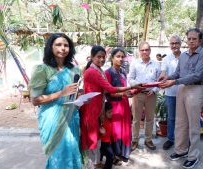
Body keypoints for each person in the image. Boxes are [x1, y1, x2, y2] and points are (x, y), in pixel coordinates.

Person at [80, 45, 141, 168]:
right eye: (98, 57)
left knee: (98, 138)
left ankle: (97, 163)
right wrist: (131, 88)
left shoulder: (100, 70)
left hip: (98, 108)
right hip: (92, 109)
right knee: (93, 139)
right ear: (92, 57)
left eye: (103, 57)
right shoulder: (93, 71)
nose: (102, 59)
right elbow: (109, 89)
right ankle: (92, 164)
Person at [28, 33, 82, 168]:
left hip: (71, 117)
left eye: (66, 45)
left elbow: (74, 94)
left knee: (72, 152)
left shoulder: (74, 70)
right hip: (52, 119)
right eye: (58, 44)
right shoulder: (42, 69)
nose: (63, 48)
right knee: (59, 155)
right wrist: (61, 93)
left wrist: (80, 99)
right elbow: (35, 100)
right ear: (50, 47)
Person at [159, 28, 203, 169]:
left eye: (194, 39)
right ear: (186, 40)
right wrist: (167, 77)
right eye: (189, 39)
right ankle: (181, 150)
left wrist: (173, 82)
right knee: (180, 123)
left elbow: (198, 75)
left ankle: (193, 156)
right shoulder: (183, 56)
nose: (191, 41)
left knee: (194, 125)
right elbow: (178, 73)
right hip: (182, 88)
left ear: (199, 40)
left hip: (195, 88)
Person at [128, 42, 161, 151]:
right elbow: (130, 78)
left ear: (150, 51)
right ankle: (135, 140)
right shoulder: (135, 63)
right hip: (138, 94)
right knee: (136, 119)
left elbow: (159, 81)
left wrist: (155, 90)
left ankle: (148, 140)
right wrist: (136, 86)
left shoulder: (156, 64)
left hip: (151, 94)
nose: (144, 52)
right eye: (142, 50)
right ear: (139, 51)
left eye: (146, 50)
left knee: (150, 118)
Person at [104, 48, 132, 161]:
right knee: (116, 131)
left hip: (124, 105)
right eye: (118, 56)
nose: (121, 59)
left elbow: (125, 88)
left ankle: (124, 153)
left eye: (122, 57)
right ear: (112, 58)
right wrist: (123, 93)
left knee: (125, 129)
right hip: (114, 107)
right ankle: (115, 155)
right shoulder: (108, 73)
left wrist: (129, 93)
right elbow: (107, 92)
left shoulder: (123, 72)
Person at [158, 35, 182, 150]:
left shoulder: (186, 57)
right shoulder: (167, 59)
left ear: (180, 44)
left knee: (183, 118)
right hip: (170, 93)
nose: (174, 45)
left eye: (176, 43)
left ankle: (183, 139)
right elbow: (163, 72)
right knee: (171, 118)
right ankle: (171, 139)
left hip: (184, 93)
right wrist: (162, 77)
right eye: (172, 43)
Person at [100, 102, 114, 169]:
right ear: (104, 112)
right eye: (109, 112)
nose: (111, 114)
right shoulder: (102, 121)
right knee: (110, 156)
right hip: (103, 142)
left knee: (103, 155)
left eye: (112, 112)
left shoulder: (109, 119)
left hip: (108, 141)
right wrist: (102, 132)